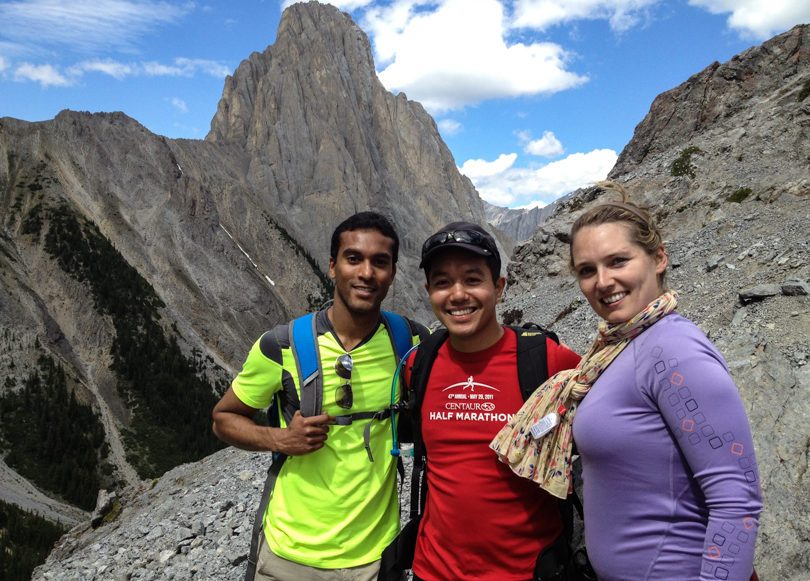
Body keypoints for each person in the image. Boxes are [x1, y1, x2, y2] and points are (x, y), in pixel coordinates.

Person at [491, 183, 762, 581]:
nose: (602, 282)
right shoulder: (619, 347)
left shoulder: (672, 350)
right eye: (587, 270)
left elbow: (737, 500)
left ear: (658, 258)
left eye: (618, 261)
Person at [212, 211, 427, 581]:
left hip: (377, 559)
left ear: (392, 274)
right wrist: (280, 438)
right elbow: (223, 418)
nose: (366, 273)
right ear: (332, 266)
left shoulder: (411, 343)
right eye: (353, 258)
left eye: (380, 262)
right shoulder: (281, 346)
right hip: (289, 557)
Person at [403, 222, 581, 581]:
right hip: (432, 570)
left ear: (498, 288)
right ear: (428, 291)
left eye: (472, 279)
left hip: (527, 571)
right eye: (442, 282)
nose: (457, 294)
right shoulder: (417, 364)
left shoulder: (546, 360)